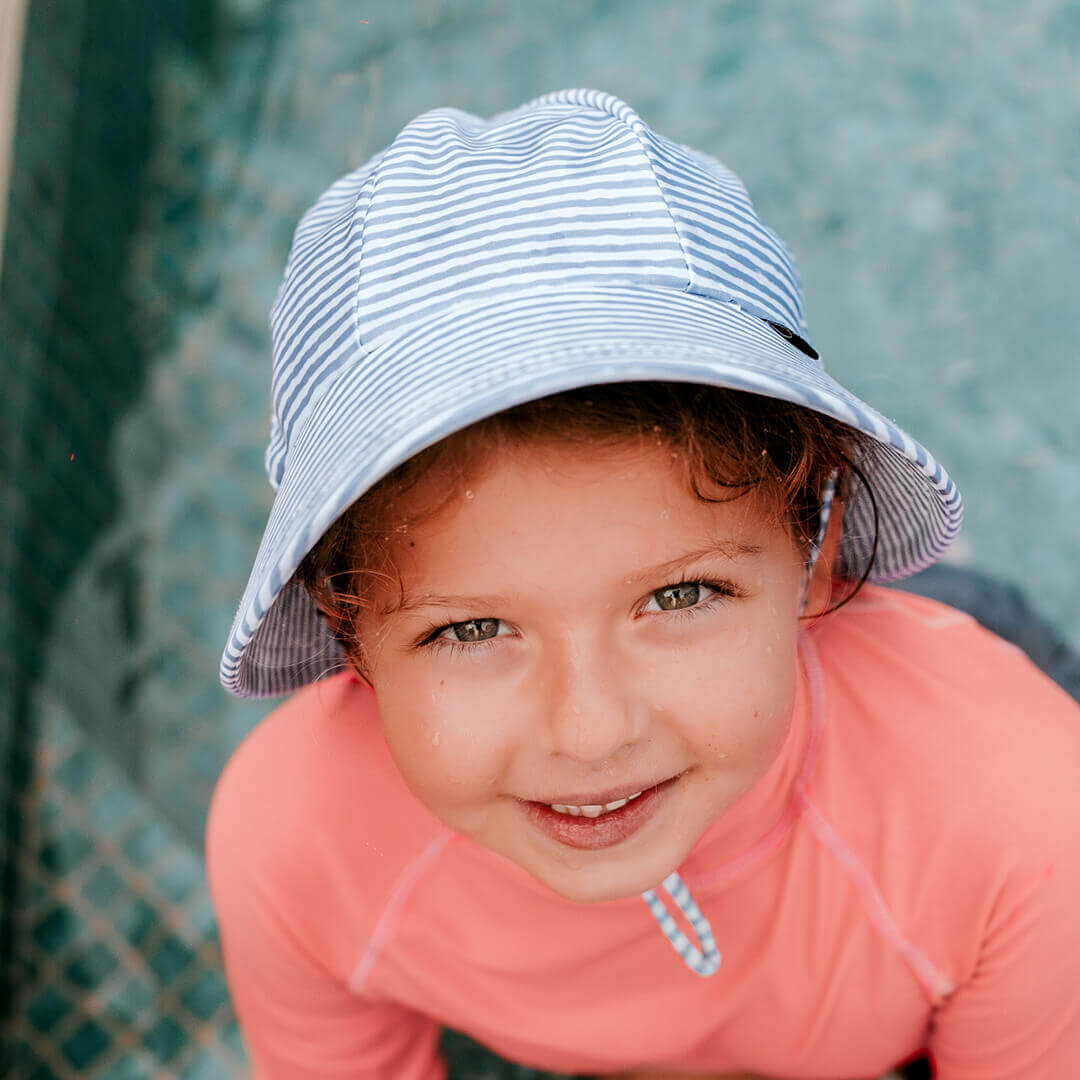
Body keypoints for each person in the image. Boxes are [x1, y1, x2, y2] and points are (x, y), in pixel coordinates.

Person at [205, 88, 1080, 1080]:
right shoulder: (298, 852)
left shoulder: (1021, 824)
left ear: (819, 552)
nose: (591, 732)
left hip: (938, 698)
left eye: (679, 596)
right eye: (473, 628)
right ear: (346, 631)